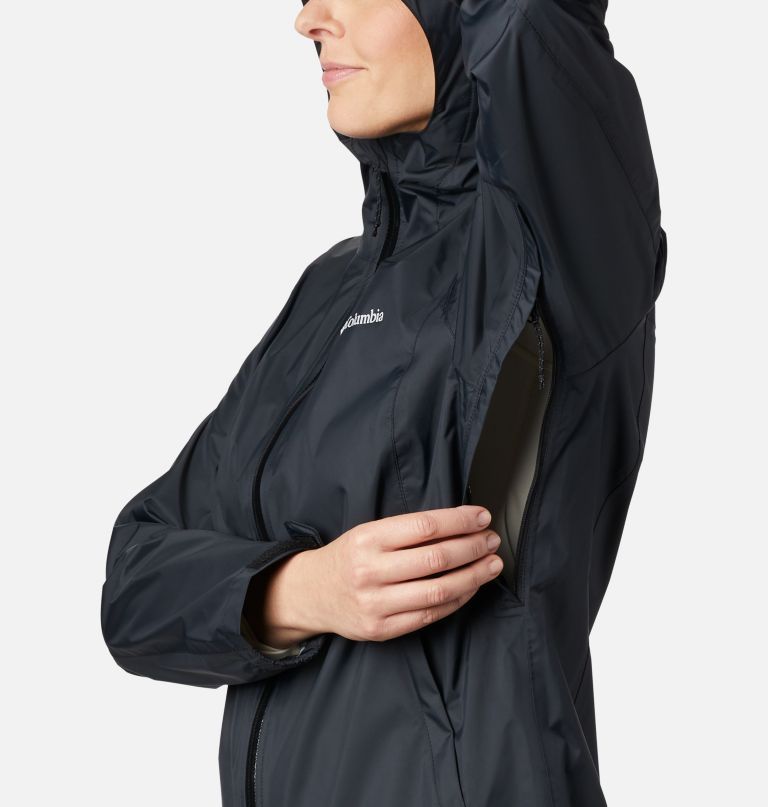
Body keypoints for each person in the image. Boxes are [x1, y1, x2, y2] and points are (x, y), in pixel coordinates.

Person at [101, 1, 666, 805]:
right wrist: (303, 589)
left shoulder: (554, 244)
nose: (308, 20)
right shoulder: (331, 290)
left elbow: (529, 23)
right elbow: (135, 583)